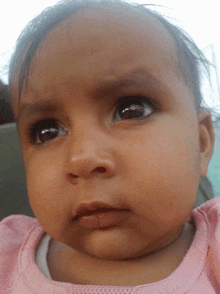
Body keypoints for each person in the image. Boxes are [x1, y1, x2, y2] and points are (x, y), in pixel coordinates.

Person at [1, 0, 219, 292]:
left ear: (202, 143)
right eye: (47, 131)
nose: (83, 158)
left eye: (131, 110)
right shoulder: (7, 252)